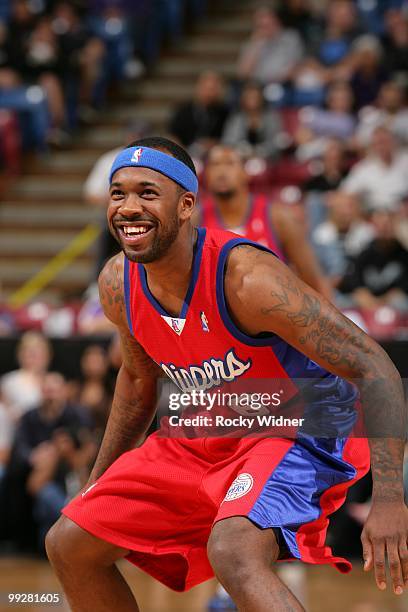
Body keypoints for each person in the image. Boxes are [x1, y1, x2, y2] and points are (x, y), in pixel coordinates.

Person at [46, 137, 408, 611]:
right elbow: (137, 383)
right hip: (213, 424)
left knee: (234, 550)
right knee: (70, 539)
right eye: (118, 194)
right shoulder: (118, 282)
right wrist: (97, 481)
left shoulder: (247, 279)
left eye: (147, 193)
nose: (129, 207)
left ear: (186, 206)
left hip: (304, 422)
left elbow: (372, 363)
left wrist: (389, 498)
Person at [200, 144, 331, 299]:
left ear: (245, 173)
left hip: (272, 317)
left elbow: (315, 282)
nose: (221, 172)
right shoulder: (194, 220)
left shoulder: (278, 217)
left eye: (229, 163)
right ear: (206, 174)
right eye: (215, 165)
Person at [342, 124, 408, 211]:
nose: (383, 146)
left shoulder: (405, 160)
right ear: (373, 146)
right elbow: (346, 193)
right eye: (379, 143)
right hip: (375, 215)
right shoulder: (362, 169)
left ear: (393, 142)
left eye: (386, 141)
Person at [237, 5, 304, 86]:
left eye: (268, 25)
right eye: (261, 26)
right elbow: (242, 74)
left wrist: (276, 81)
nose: (266, 30)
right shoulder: (252, 43)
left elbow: (297, 65)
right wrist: (256, 45)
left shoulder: (291, 38)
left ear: (277, 22)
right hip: (258, 85)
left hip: (285, 84)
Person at [168, 70, 228, 154]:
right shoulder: (183, 110)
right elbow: (173, 136)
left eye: (213, 89)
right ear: (199, 87)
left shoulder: (225, 112)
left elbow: (229, 139)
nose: (209, 93)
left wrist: (213, 144)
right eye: (207, 88)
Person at [222, 81, 282, 160]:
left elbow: (276, 142)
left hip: (267, 159)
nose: (253, 100)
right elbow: (229, 141)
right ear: (243, 99)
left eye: (255, 97)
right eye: (249, 97)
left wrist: (258, 152)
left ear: (261, 99)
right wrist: (244, 151)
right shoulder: (237, 118)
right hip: (241, 158)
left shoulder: (272, 117)